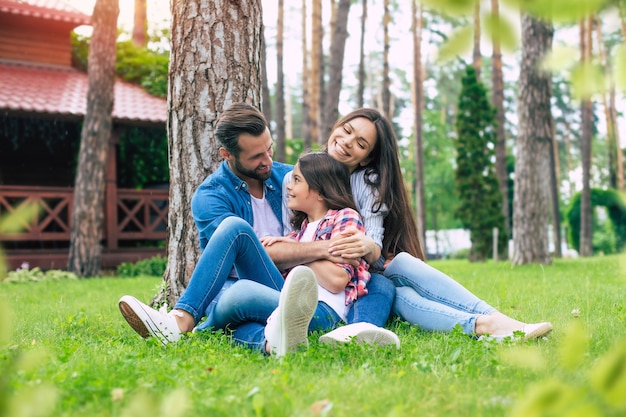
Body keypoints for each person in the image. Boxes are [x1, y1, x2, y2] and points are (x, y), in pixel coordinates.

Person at [214, 107, 553, 342]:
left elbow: (372, 247)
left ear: (366, 157)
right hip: (333, 278)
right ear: (337, 127)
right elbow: (301, 235)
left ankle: (497, 321)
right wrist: (323, 249)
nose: (347, 142)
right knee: (396, 292)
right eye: (347, 131)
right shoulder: (298, 176)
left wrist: (367, 246)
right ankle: (488, 324)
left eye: (360, 144)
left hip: (363, 271)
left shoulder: (366, 182)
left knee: (398, 268)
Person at [118, 103, 397, 354]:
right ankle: (187, 321)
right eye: (256, 157)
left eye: (269, 149)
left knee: (379, 283)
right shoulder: (211, 196)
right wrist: (322, 249)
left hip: (290, 287)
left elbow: (325, 260)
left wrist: (299, 251)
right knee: (236, 239)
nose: (268, 161)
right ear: (227, 155)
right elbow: (246, 256)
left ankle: (207, 331)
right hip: (245, 281)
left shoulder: (287, 178)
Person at [251, 151, 378, 355]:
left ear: (320, 191)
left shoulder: (345, 217)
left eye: (297, 180)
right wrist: (310, 251)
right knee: (238, 306)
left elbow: (336, 280)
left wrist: (297, 256)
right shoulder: (301, 232)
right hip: (293, 303)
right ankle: (272, 343)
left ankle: (199, 326)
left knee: (239, 298)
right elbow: (267, 252)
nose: (289, 186)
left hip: (326, 309)